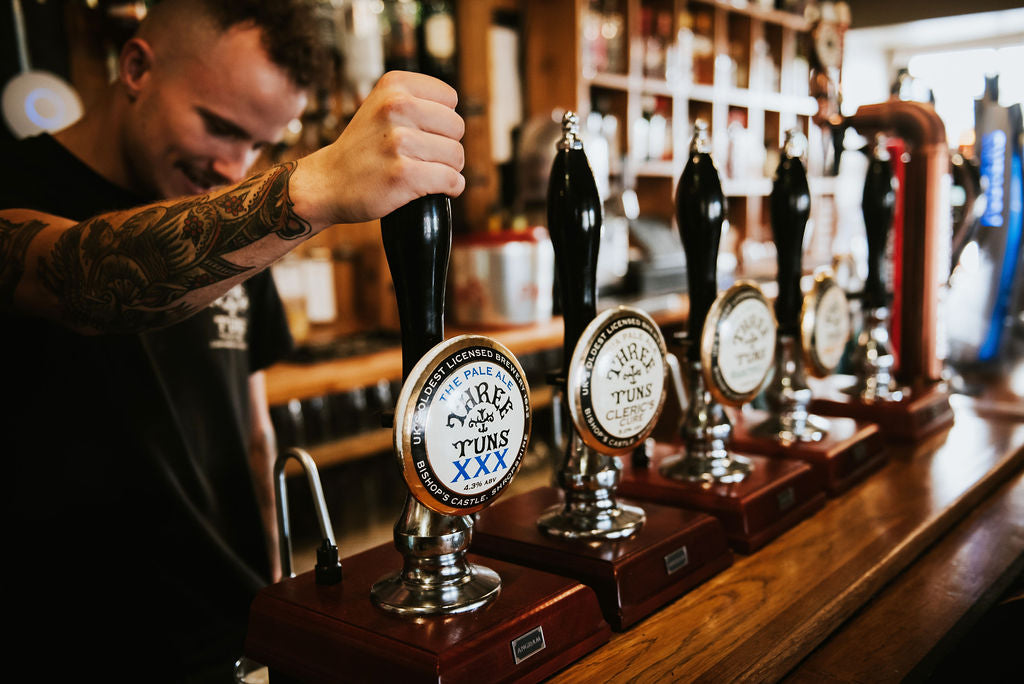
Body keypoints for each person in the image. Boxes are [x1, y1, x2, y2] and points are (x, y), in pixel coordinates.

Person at [0, 1, 463, 681]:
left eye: (259, 144)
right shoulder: (14, 186)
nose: (234, 167)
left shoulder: (241, 226)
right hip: (76, 644)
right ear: (135, 68)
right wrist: (314, 188)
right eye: (219, 127)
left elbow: (252, 431)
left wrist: (275, 588)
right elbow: (80, 281)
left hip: (234, 632)